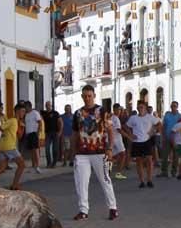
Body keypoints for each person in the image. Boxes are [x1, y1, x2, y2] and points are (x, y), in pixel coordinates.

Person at [72, 84, 118, 221]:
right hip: (82, 153)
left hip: (100, 152)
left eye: (89, 96)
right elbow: (75, 133)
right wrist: (72, 151)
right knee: (81, 182)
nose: (87, 98)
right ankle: (83, 210)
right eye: (85, 96)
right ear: (82, 96)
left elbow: (110, 131)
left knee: (105, 180)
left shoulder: (102, 111)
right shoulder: (78, 113)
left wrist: (110, 148)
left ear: (94, 96)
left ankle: (113, 208)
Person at [0, 103, 27, 190]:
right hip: (9, 146)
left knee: (2, 167)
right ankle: (15, 185)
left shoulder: (17, 122)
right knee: (22, 165)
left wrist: (22, 128)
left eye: (24, 112)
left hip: (3, 147)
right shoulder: (12, 120)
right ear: (17, 111)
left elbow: (19, 136)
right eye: (22, 111)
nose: (23, 113)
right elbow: (1, 128)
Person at [125, 100, 160, 188]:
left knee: (149, 160)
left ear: (145, 108)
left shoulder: (150, 117)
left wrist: (153, 131)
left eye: (142, 107)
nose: (140, 109)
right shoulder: (133, 118)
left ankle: (149, 180)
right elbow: (126, 126)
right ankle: (141, 181)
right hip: (137, 142)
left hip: (146, 141)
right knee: (139, 162)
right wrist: (131, 134)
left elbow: (159, 124)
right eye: (138, 107)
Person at [160, 101, 181, 177]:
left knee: (176, 157)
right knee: (165, 156)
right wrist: (163, 137)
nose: (173, 107)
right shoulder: (167, 116)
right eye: (172, 106)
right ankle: (164, 172)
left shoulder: (180, 116)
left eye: (175, 106)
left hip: (176, 140)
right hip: (167, 138)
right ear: (170, 107)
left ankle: (174, 172)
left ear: (177, 107)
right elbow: (164, 126)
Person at [23, 102, 42, 174]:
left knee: (35, 150)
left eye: (26, 107)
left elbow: (40, 123)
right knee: (31, 151)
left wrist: (38, 132)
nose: (25, 109)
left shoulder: (35, 113)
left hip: (34, 133)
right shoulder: (26, 115)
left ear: (29, 106)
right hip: (28, 134)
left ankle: (37, 166)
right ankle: (33, 166)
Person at [109, 104, 127, 180]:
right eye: (119, 109)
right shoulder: (116, 118)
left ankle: (108, 173)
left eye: (120, 110)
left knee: (111, 157)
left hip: (111, 139)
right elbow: (118, 129)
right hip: (117, 139)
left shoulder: (111, 117)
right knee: (123, 154)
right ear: (115, 109)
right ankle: (118, 173)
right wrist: (127, 136)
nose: (120, 111)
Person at [43, 101, 61, 168]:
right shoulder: (43, 113)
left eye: (49, 105)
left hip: (55, 133)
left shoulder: (55, 113)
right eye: (46, 105)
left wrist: (60, 132)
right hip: (47, 133)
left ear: (51, 106)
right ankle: (49, 163)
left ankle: (54, 163)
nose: (48, 106)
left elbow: (60, 122)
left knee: (55, 149)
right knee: (47, 148)